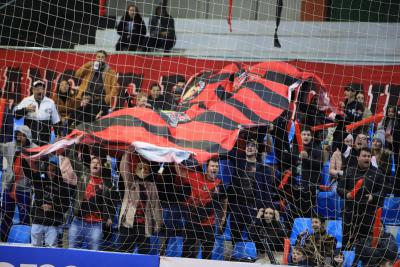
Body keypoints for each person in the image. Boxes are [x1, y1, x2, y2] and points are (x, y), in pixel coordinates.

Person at [228, 139, 278, 251]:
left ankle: (256, 254)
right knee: (235, 232)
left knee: (254, 233)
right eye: (248, 145)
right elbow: (228, 150)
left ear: (256, 150)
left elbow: (268, 191)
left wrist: (266, 207)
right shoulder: (239, 162)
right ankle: (235, 253)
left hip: (254, 206)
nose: (249, 147)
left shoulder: (264, 169)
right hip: (237, 205)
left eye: (253, 146)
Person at [175, 157, 228, 260]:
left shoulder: (220, 184)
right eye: (212, 166)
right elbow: (181, 172)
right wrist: (175, 156)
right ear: (206, 168)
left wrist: (223, 217)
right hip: (192, 223)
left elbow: (224, 201)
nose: (215, 168)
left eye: (217, 166)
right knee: (187, 253)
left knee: (207, 255)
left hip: (209, 225)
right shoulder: (196, 177)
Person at [337, 147, 388, 250]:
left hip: (368, 215)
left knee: (365, 246)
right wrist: (347, 194)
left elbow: (384, 190)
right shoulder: (350, 171)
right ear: (358, 158)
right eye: (364, 156)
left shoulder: (378, 173)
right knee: (347, 244)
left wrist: (373, 196)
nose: (367, 158)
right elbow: (339, 188)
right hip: (350, 215)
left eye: (369, 156)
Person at [117, 152, 162, 253]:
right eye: (140, 168)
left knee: (144, 253)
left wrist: (158, 222)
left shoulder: (152, 186)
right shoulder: (130, 182)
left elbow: (156, 205)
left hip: (144, 225)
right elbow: (124, 170)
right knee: (124, 252)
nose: (143, 171)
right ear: (136, 169)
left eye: (145, 169)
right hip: (128, 223)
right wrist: (126, 154)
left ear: (149, 171)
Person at [68, 156, 115, 250]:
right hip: (78, 222)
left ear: (101, 167)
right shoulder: (83, 174)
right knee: (72, 251)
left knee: (94, 253)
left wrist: (110, 216)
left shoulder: (107, 183)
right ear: (90, 165)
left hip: (96, 224)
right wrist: (76, 142)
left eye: (98, 163)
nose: (95, 164)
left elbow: (111, 201)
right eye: (93, 162)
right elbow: (72, 158)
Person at [0, 125, 37, 242]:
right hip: (9, 187)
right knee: (6, 216)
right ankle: (2, 240)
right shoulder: (11, 146)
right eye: (18, 134)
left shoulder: (34, 149)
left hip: (24, 189)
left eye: (22, 135)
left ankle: (24, 242)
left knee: (25, 218)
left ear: (28, 136)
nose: (19, 137)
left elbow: (44, 158)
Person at [28, 156, 73, 247]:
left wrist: (52, 208)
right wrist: (41, 205)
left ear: (57, 172)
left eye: (53, 171)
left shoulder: (63, 186)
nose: (50, 173)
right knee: (35, 249)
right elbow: (36, 199)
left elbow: (65, 207)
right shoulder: (40, 181)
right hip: (38, 221)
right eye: (48, 170)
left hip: (53, 224)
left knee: (51, 250)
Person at [14, 80, 61, 145]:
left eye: (42, 89)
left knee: (43, 154)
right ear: (33, 90)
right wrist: (26, 110)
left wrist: (57, 135)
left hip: (45, 138)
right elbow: (16, 115)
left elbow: (56, 121)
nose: (40, 91)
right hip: (29, 139)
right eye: (37, 89)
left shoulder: (50, 102)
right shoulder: (26, 100)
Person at [75, 50, 119, 114]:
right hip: (86, 98)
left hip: (101, 99)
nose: (100, 59)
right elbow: (77, 75)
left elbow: (114, 88)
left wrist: (107, 99)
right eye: (98, 57)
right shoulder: (89, 68)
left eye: (102, 57)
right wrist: (88, 64)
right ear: (95, 57)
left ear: (106, 59)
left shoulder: (111, 72)